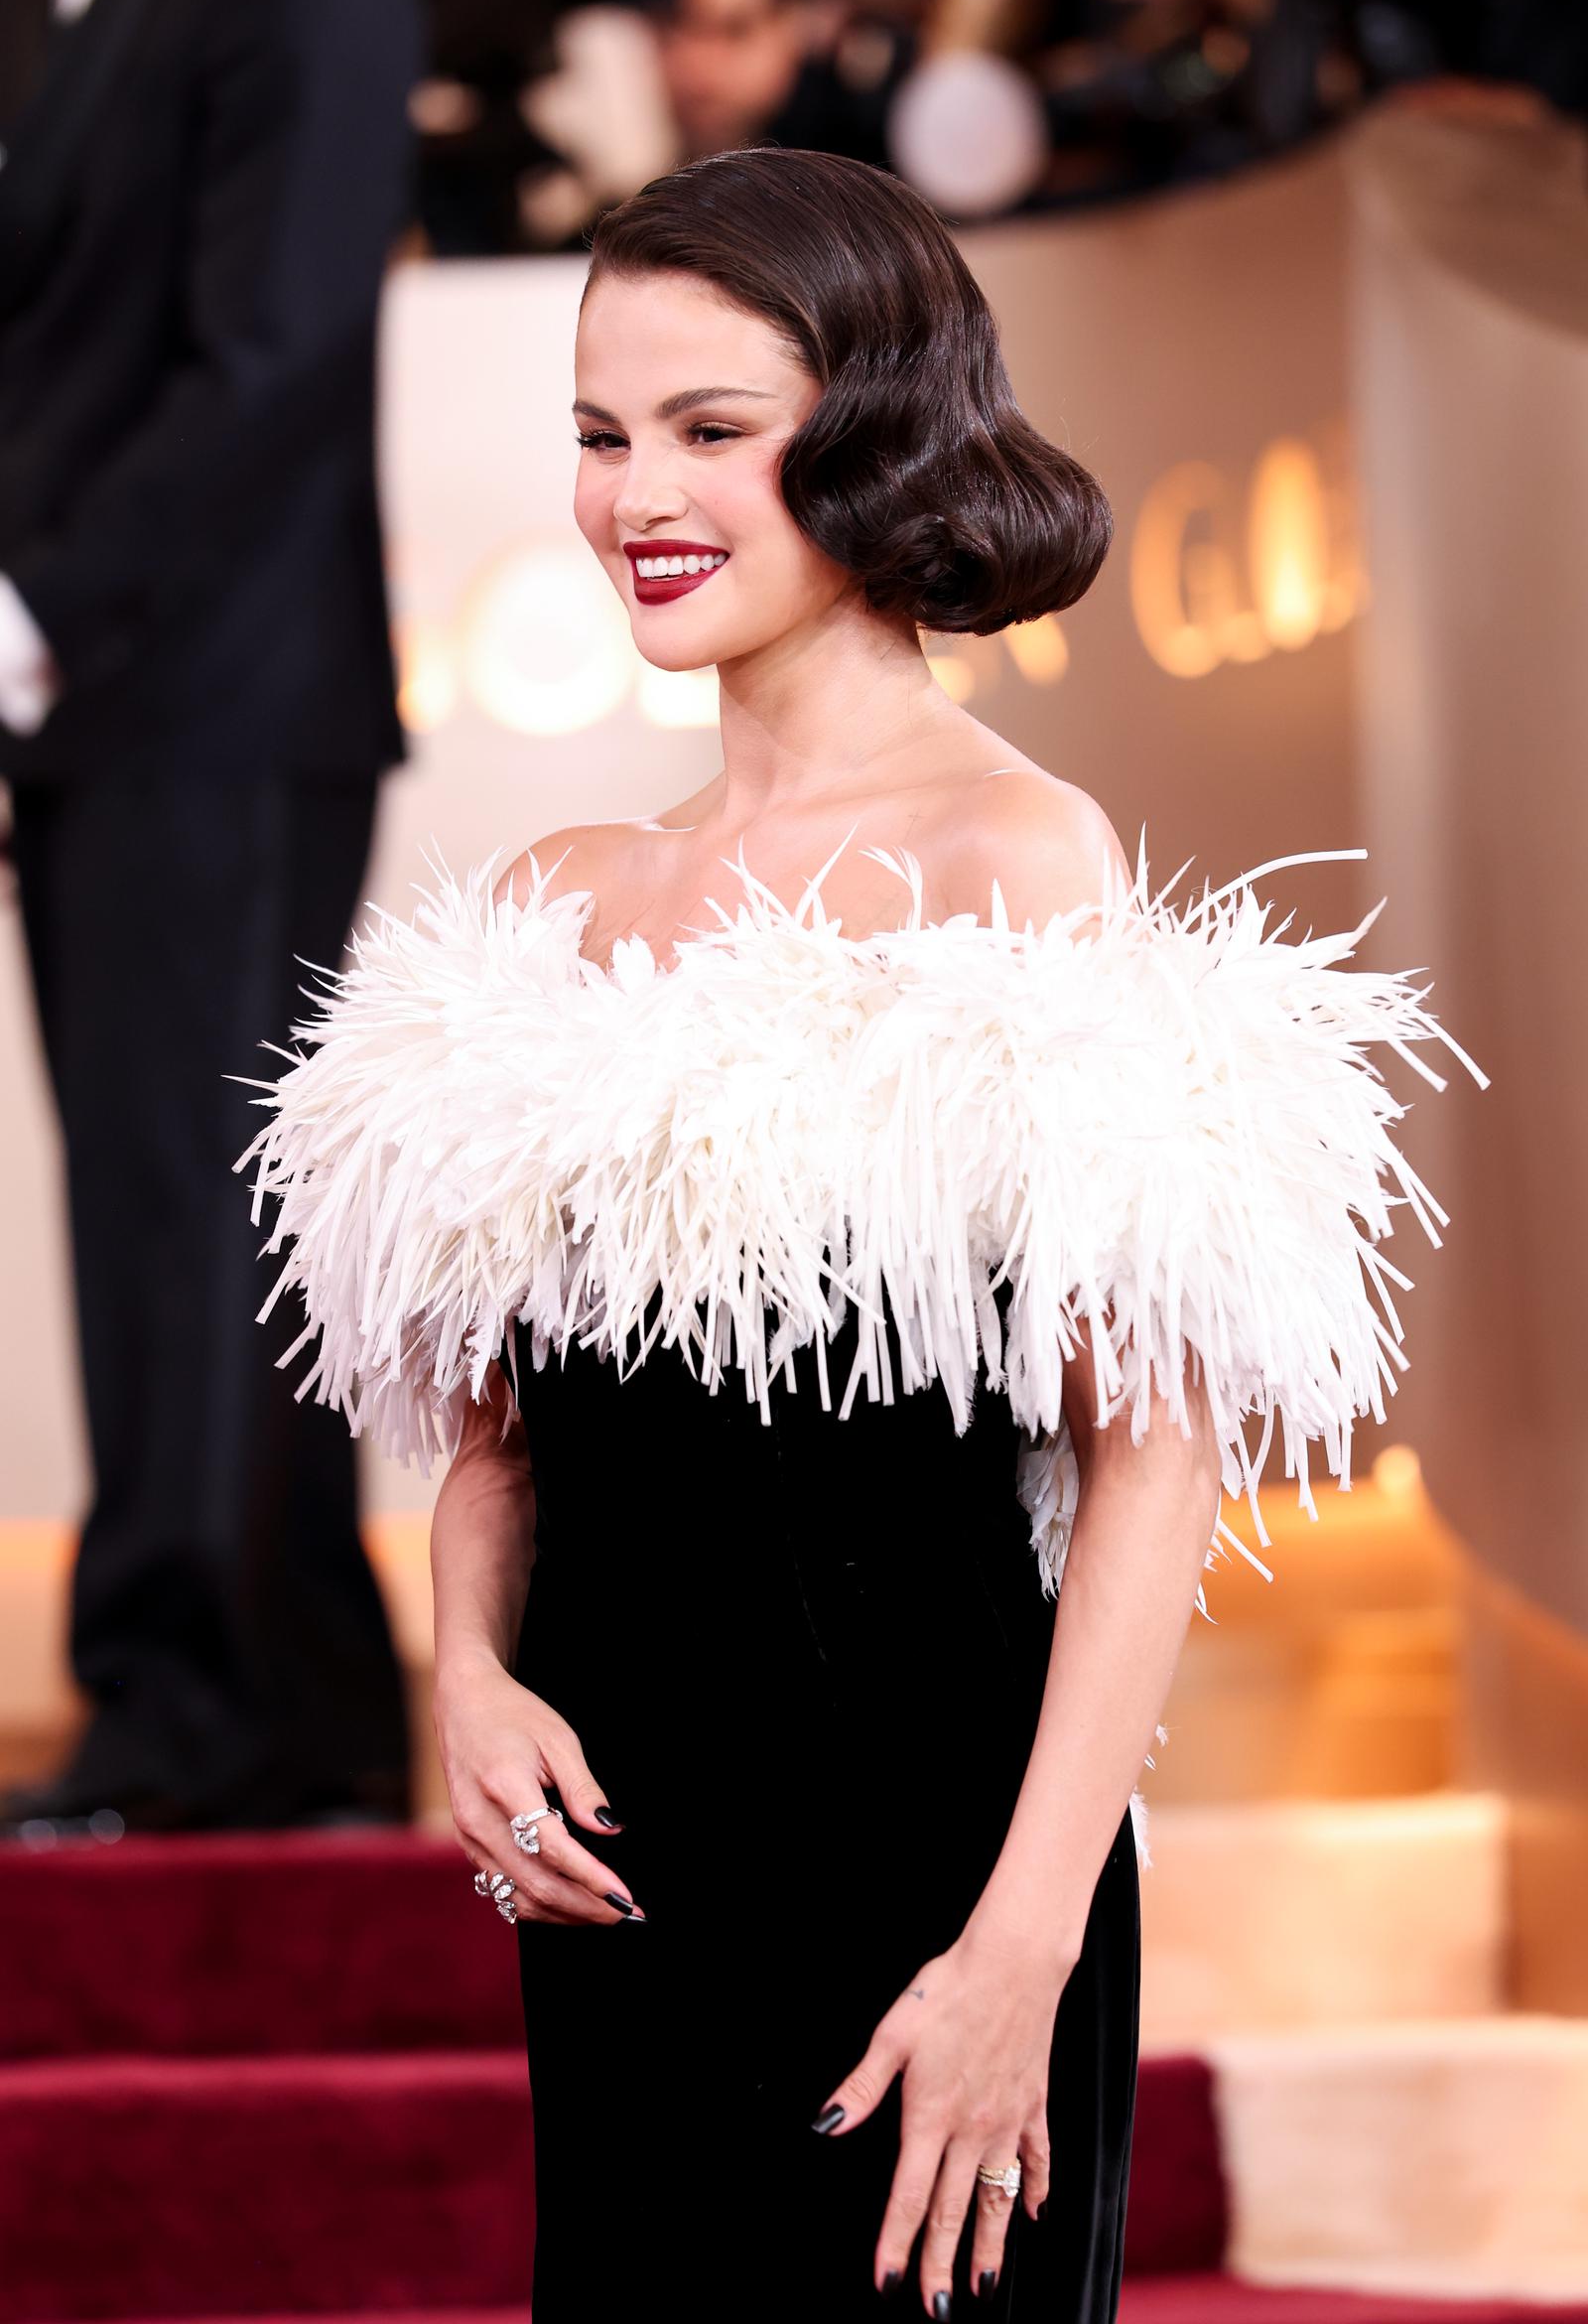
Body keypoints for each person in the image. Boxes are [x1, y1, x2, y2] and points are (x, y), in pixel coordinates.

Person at [235, 149, 1485, 2318]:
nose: (638, 495)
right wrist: (473, 1685)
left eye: (710, 429)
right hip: (623, 1879)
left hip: (938, 1867)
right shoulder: (552, 907)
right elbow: (504, 1443)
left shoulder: (1017, 857)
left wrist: (1019, 1956)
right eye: (602, 433)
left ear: (879, 432)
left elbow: (1151, 1454)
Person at [0, 0, 423, 1837]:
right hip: (86, 703)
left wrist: (36, 609)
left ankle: (189, 1711)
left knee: (199, 1212)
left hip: (227, 698)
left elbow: (279, 347)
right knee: (177, 1209)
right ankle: (302, 1703)